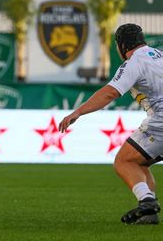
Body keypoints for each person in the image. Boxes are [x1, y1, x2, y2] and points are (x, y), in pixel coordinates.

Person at [58, 23, 162, 225]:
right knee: (140, 162)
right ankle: (149, 211)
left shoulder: (134, 62)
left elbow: (110, 92)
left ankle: (147, 201)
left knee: (124, 161)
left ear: (122, 45)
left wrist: (78, 112)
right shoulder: (159, 54)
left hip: (160, 122)